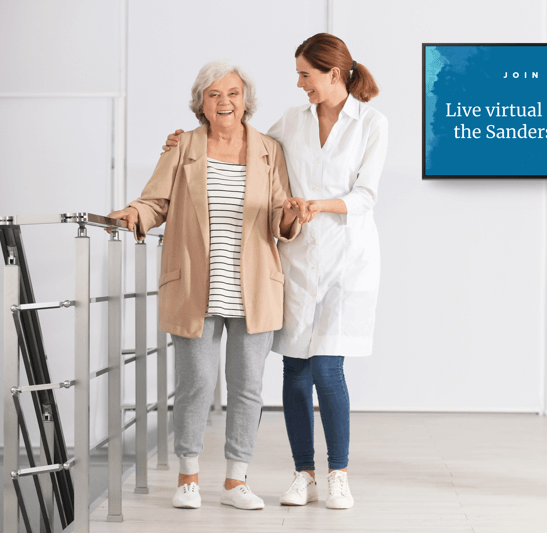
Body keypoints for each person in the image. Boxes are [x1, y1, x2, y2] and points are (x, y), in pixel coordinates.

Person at [162, 33, 388, 510]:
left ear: (332, 72)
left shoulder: (371, 123)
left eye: (306, 74)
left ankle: (338, 474)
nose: (300, 83)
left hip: (347, 261)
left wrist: (315, 205)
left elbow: (366, 196)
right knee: (293, 369)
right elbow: (245, 141)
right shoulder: (292, 122)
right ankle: (302, 473)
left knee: (328, 369)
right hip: (295, 258)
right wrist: (186, 140)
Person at [109, 60, 302, 511]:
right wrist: (133, 214)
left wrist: (291, 214)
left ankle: (236, 481)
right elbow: (155, 200)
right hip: (195, 284)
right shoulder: (183, 147)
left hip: (253, 287)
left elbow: (278, 214)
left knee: (248, 386)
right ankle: (188, 477)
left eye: (232, 93)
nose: (224, 102)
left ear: (245, 100)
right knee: (196, 382)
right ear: (201, 102)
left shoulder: (270, 150)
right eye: (214, 94)